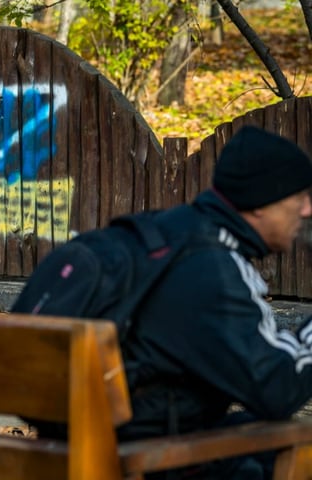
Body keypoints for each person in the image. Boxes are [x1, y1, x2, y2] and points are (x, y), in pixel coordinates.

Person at [117, 125, 312, 479]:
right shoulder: (211, 267)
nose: (307, 210)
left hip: (91, 439)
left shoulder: (158, 236)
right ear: (260, 204)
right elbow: (278, 389)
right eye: (299, 198)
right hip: (145, 458)